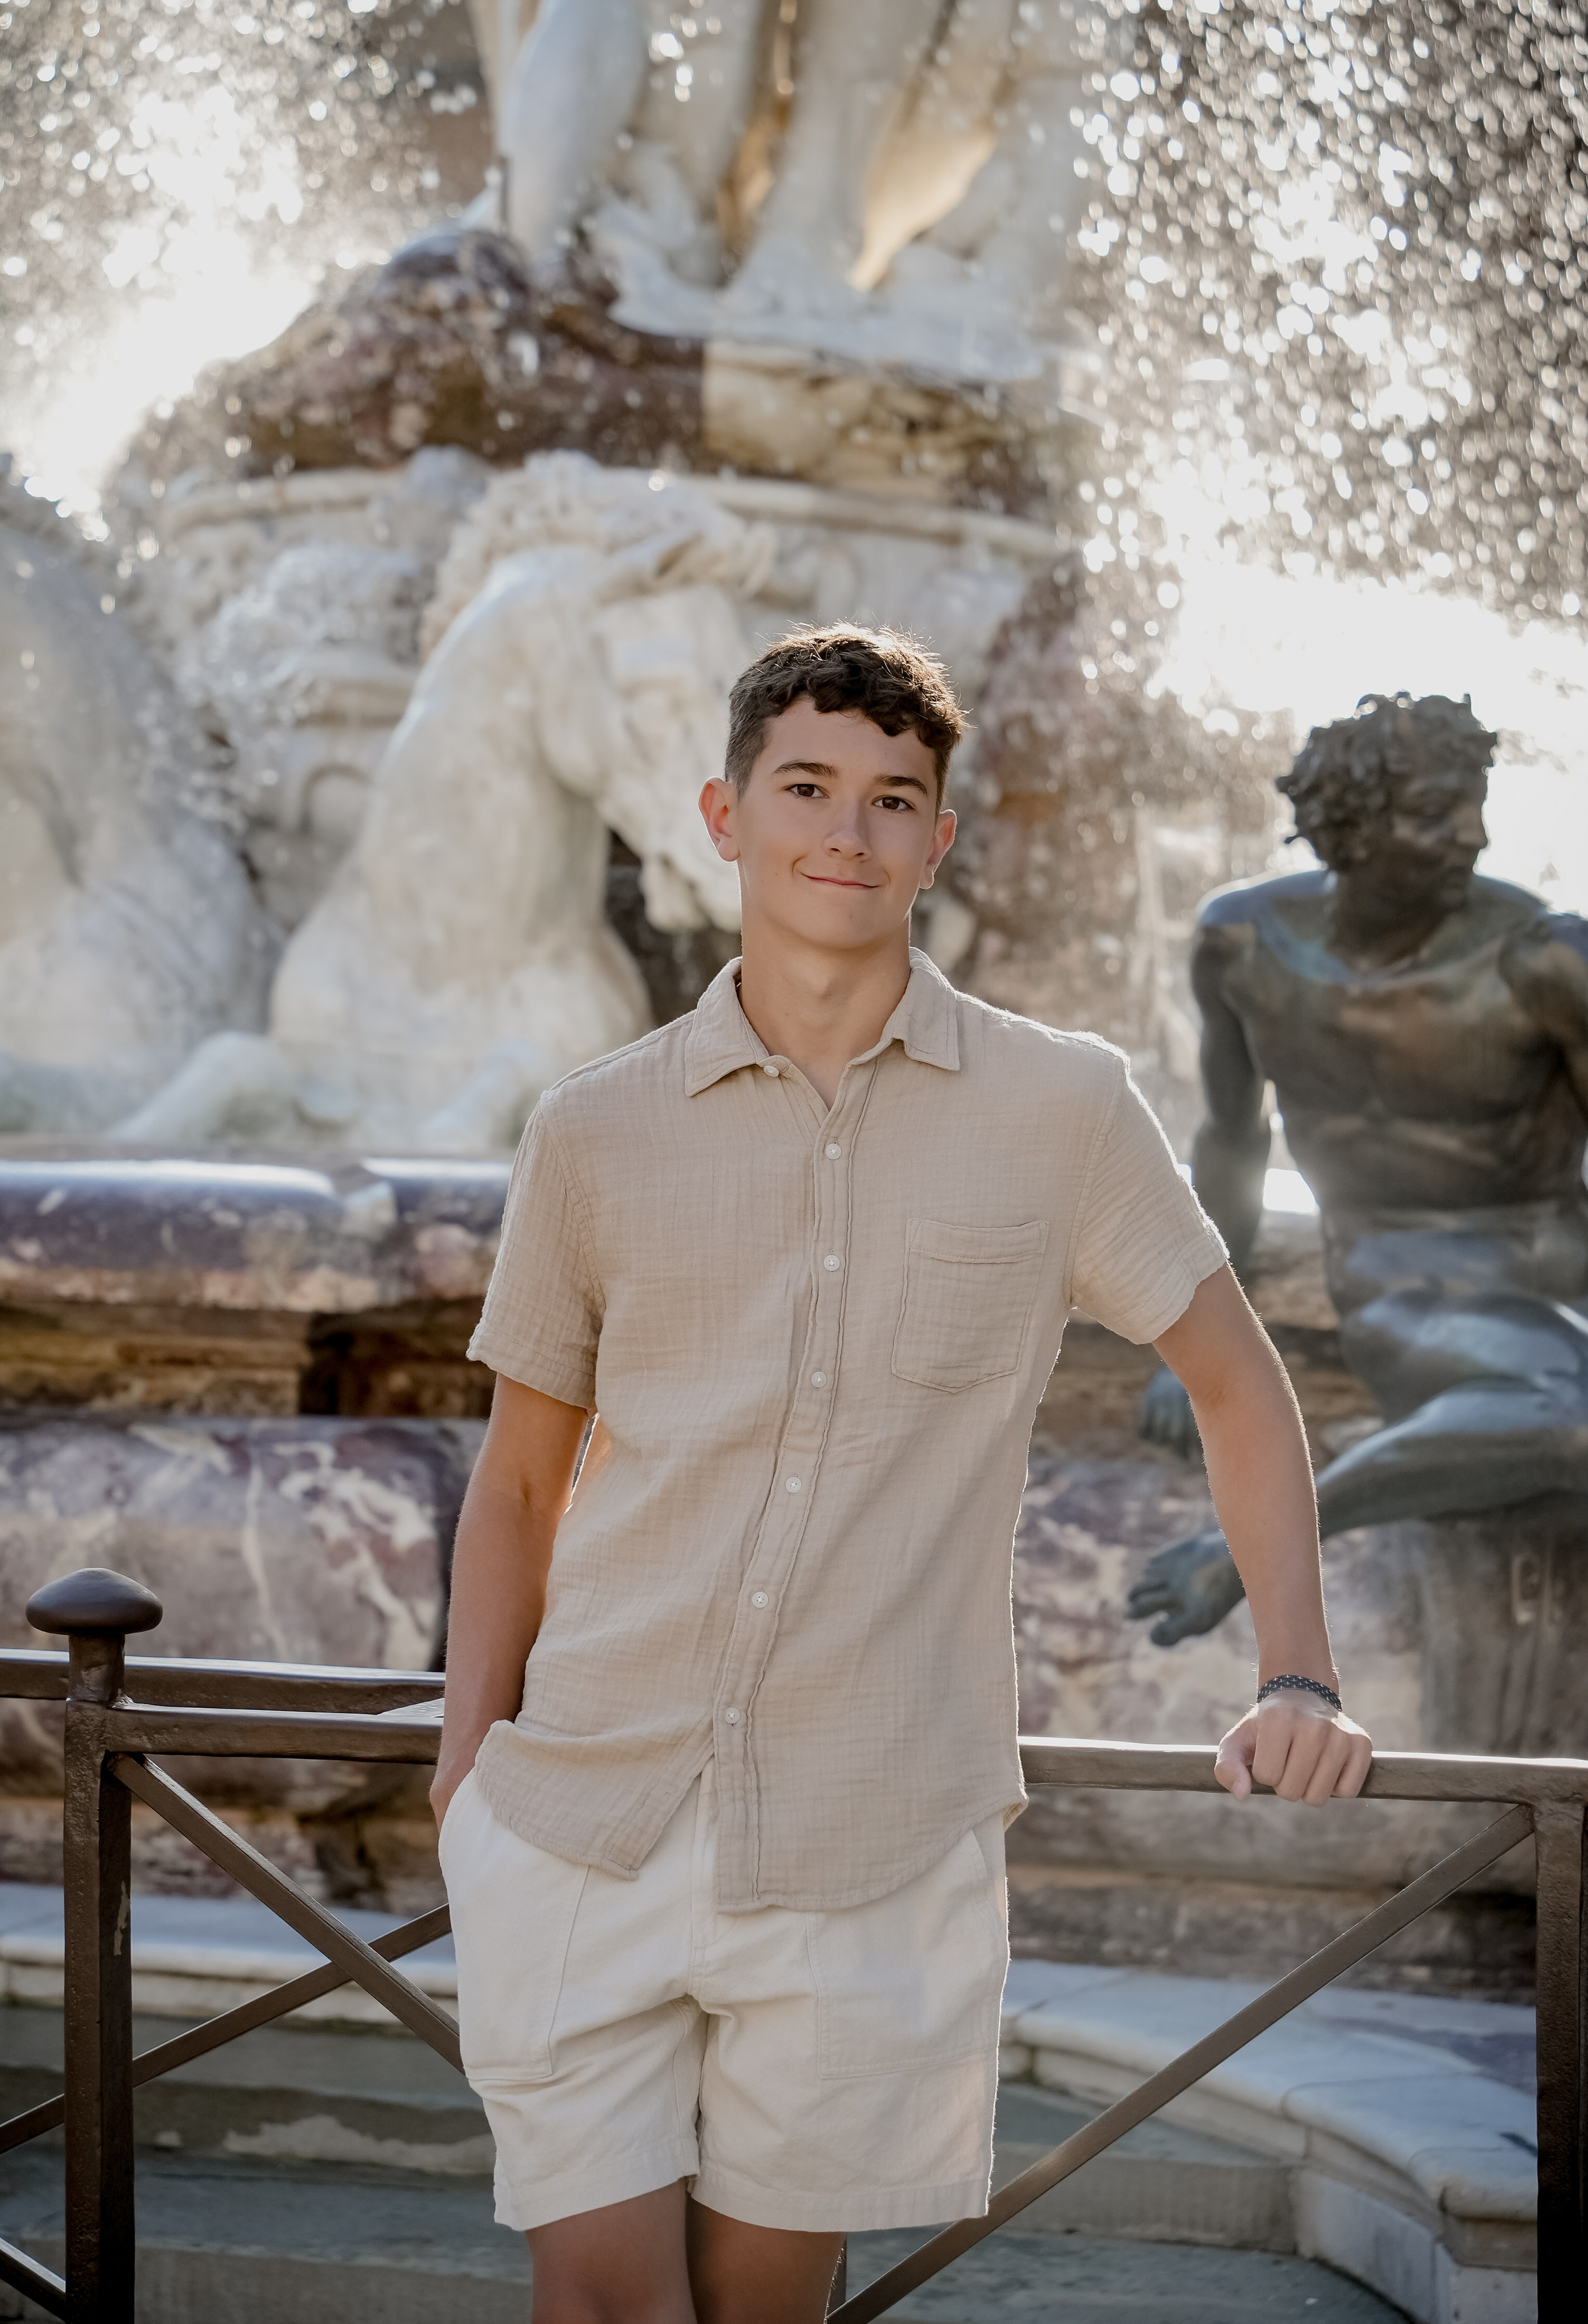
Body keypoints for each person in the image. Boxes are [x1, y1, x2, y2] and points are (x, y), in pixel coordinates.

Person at [430, 625, 1372, 2324]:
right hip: (583, 1817)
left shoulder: (1061, 1108)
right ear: (723, 815)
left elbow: (1237, 1383)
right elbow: (516, 1485)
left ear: (937, 840)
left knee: (767, 2314)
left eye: (890, 798)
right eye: (805, 787)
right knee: (602, 2305)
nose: (845, 831)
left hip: (872, 1835)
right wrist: (462, 1779)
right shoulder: (592, 1128)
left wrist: (1295, 1670)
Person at [1130, 690, 1588, 1647]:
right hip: (1411, 1299)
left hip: (1574, 1285)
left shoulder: (1549, 961)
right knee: (1585, 1413)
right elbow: (1232, 1143)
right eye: (1435, 813)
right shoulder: (1244, 948)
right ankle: (1254, 1546)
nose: (1473, 835)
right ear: (1350, 828)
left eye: (1475, 805)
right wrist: (1196, 1344)